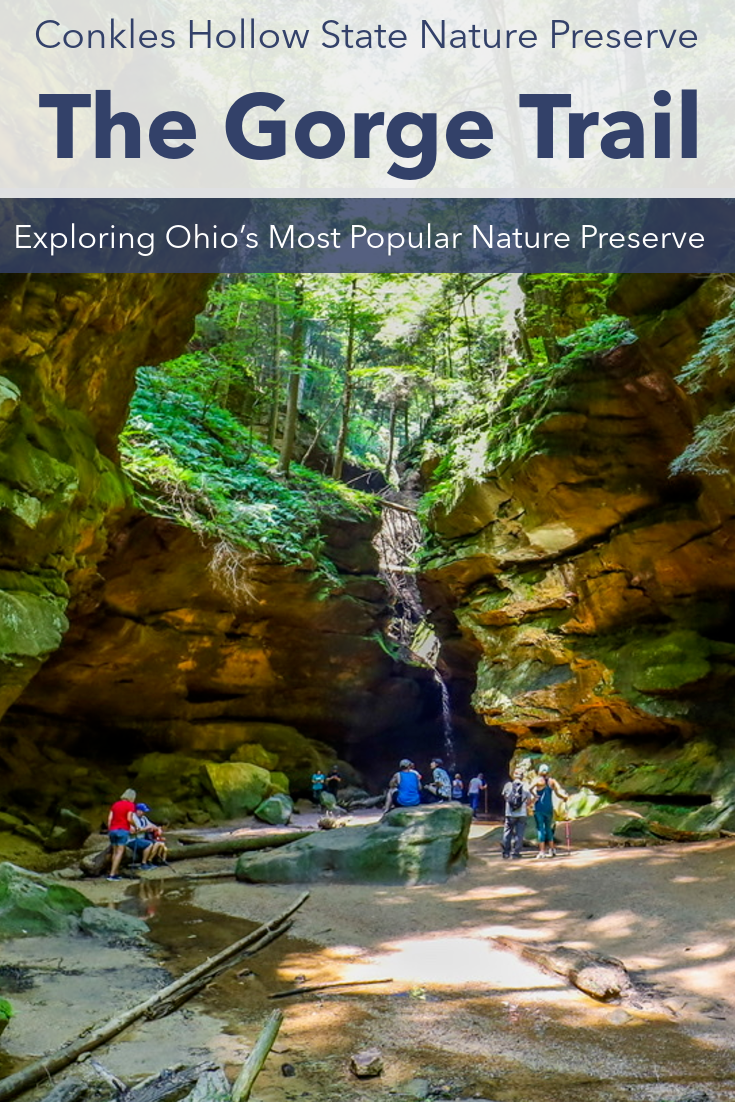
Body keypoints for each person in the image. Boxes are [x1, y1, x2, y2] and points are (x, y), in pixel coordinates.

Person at [530, 763, 569, 858]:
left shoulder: (538, 780)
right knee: (548, 829)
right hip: (549, 808)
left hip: (539, 807)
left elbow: (530, 788)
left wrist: (534, 796)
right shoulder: (552, 782)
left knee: (540, 829)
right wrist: (564, 798)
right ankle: (552, 849)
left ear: (539, 771)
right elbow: (559, 792)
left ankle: (542, 851)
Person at [501, 768, 533, 859]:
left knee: (507, 832)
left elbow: (505, 797)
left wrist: (511, 805)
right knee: (520, 834)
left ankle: (506, 852)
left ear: (514, 775)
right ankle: (516, 853)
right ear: (522, 776)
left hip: (509, 813)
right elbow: (529, 801)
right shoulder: (526, 786)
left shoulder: (508, 785)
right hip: (522, 814)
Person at [107, 788, 137, 880]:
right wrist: (135, 825)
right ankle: (112, 875)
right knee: (120, 852)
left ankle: (115, 872)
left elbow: (110, 819)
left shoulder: (115, 804)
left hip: (113, 830)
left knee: (115, 852)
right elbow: (129, 818)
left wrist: (110, 829)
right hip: (122, 830)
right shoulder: (130, 805)